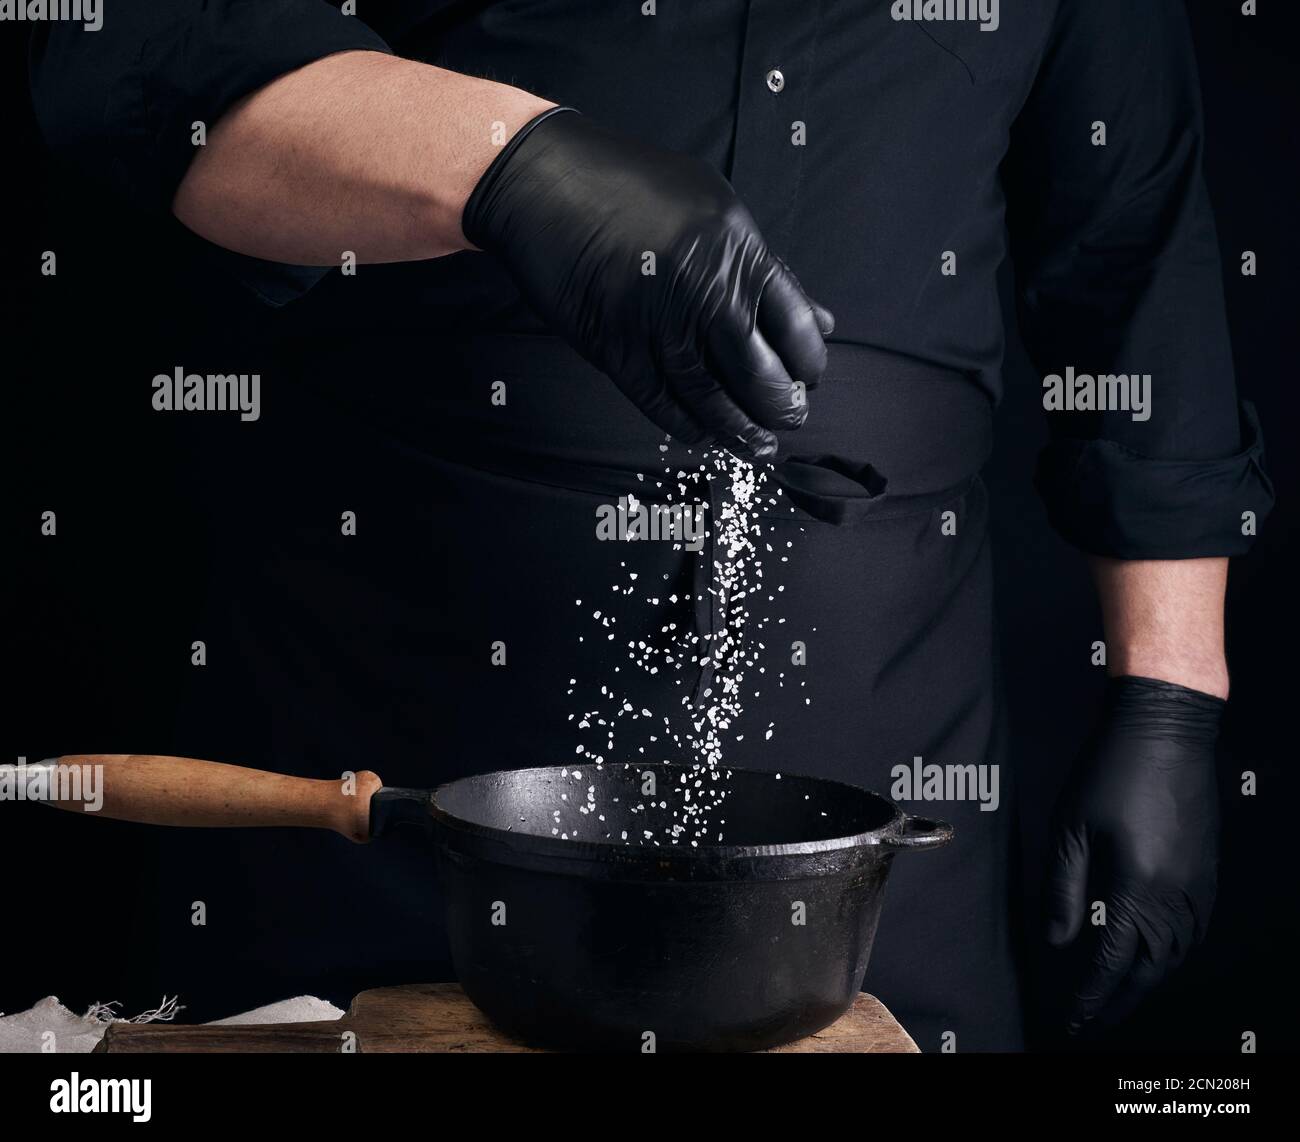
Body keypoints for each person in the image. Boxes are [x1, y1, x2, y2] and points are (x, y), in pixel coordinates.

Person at [28, 0, 1272, 1050]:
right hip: (398, 708)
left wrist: (1170, 696)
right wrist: (514, 164)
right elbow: (158, 68)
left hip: (880, 777)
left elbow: (1133, 261)